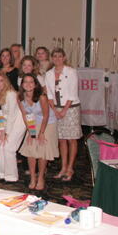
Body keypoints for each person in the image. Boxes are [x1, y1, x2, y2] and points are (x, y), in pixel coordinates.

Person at [45, 48, 81, 181]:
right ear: (52, 58)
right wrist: (54, 110)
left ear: (64, 57)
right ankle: (63, 167)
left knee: (72, 138)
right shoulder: (48, 74)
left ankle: (70, 167)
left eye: (60, 56)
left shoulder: (71, 72)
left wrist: (64, 110)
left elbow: (72, 92)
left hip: (70, 108)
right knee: (61, 140)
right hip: (56, 108)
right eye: (54, 56)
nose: (57, 59)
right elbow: (49, 93)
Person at [19, 74, 59, 190]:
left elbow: (46, 116)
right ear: (22, 84)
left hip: (48, 123)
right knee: (31, 148)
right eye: (25, 82)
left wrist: (41, 133)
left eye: (31, 82)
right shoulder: (20, 97)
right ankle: (33, 177)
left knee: (42, 148)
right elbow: (25, 115)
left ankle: (41, 177)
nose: (28, 84)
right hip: (33, 122)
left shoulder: (41, 96)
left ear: (36, 84)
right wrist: (31, 133)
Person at [0, 71, 26, 182]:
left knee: (9, 148)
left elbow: (12, 115)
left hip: (18, 122)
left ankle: (12, 177)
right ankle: (3, 174)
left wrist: (6, 133)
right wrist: (1, 131)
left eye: (1, 81)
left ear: (5, 82)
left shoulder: (11, 94)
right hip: (6, 123)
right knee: (0, 146)